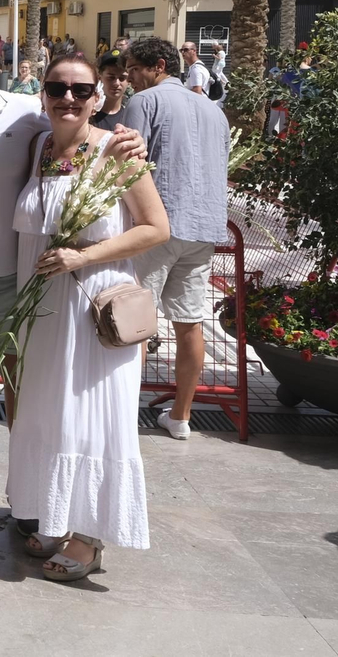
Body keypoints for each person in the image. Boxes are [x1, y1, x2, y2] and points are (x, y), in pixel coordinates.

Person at [0, 28, 144, 542]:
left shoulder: (27, 117)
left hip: (23, 280)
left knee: (27, 397)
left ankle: (28, 498)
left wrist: (124, 136)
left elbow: (80, 127)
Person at [7, 54, 170, 582]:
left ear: (98, 97)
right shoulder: (39, 147)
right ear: (42, 92)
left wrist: (84, 256)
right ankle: (57, 518)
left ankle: (90, 538)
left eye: (81, 90)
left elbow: (155, 228)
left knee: (93, 416)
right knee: (50, 413)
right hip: (43, 309)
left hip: (92, 307)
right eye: (58, 87)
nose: (69, 98)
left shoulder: (118, 151)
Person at [121, 37, 231, 441]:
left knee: (134, 321)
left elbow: (128, 165)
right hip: (204, 228)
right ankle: (181, 415)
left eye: (134, 68)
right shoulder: (214, 112)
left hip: (157, 225)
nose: (129, 77)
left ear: (158, 65)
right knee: (190, 323)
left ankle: (122, 411)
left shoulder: (146, 102)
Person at [91, 52, 129, 129]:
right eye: (111, 78)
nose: (117, 83)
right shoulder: (88, 116)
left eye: (122, 78)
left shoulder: (130, 116)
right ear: (99, 78)